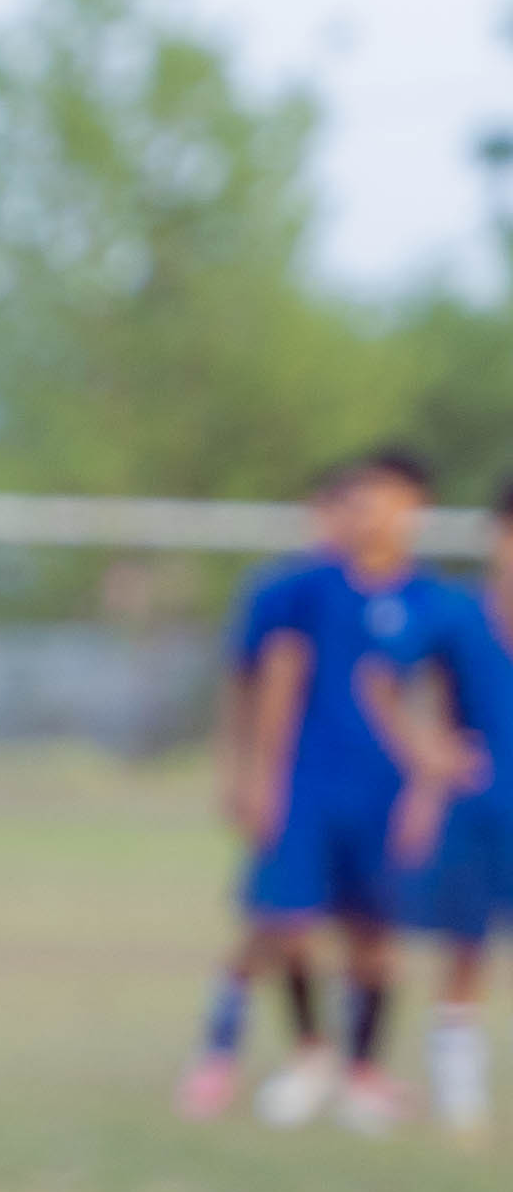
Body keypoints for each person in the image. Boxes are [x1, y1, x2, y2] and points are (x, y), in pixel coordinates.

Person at [176, 447, 460, 1135]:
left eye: (384, 500)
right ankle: (301, 1053)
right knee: (283, 923)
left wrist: (432, 786)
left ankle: (361, 1072)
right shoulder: (303, 590)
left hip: (384, 794)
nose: (368, 515)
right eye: (358, 501)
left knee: (375, 934)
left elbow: (443, 701)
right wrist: (254, 777)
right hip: (306, 784)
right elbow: (267, 684)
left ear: (416, 508)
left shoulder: (436, 602)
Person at [174, 471, 341, 1120]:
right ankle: (231, 1048)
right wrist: (242, 772)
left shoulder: (389, 595)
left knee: (361, 933)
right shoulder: (283, 593)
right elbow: (246, 686)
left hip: (358, 791)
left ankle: (343, 1064)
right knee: (275, 922)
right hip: (290, 786)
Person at [408, 479, 513, 1137]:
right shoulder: (459, 616)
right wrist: (428, 754)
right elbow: (384, 679)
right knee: (467, 948)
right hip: (481, 808)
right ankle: (457, 1075)